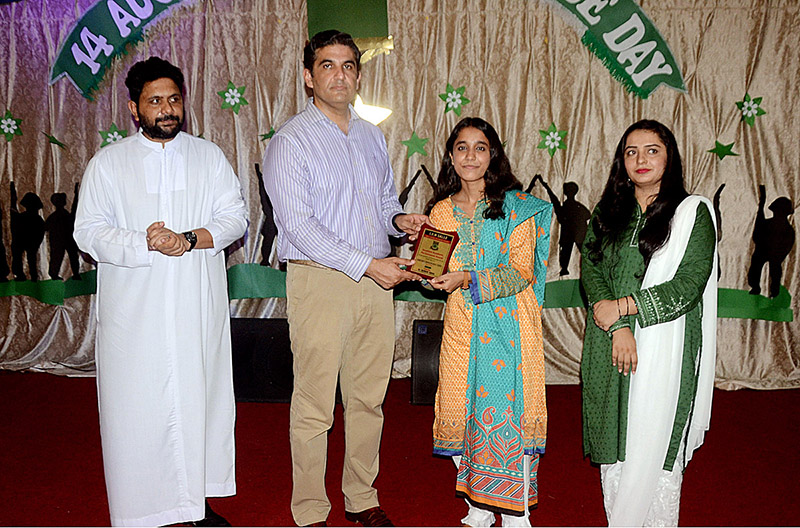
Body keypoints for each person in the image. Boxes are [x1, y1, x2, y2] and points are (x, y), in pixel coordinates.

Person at [262, 30, 427, 527]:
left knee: (369, 397)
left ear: (358, 74)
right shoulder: (290, 140)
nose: (340, 75)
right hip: (321, 280)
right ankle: (311, 510)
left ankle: (362, 497)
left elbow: (382, 204)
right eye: (327, 65)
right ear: (309, 77)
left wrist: (400, 223)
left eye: (349, 66)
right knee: (315, 402)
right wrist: (367, 263)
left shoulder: (372, 135)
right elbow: (298, 226)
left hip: (377, 282)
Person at [73, 57, 248, 527]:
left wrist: (189, 239)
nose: (167, 109)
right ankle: (143, 511)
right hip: (136, 314)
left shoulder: (207, 156)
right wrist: (144, 243)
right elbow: (87, 231)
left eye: (174, 99)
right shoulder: (109, 163)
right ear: (133, 108)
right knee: (138, 409)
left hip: (195, 306)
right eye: (155, 101)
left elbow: (235, 217)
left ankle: (193, 506)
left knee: (198, 401)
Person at [580, 120, 718, 526]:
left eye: (652, 150)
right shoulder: (607, 212)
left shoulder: (692, 213)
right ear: (621, 161)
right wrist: (618, 325)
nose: (641, 159)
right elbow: (592, 267)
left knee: (653, 443)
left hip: (663, 347)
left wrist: (625, 308)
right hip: (608, 340)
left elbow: (688, 286)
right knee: (613, 439)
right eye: (631, 152)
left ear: (669, 156)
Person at [426, 117, 553, 527]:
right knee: (462, 408)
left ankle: (516, 511)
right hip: (463, 326)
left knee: (508, 409)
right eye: (462, 147)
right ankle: (479, 505)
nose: (470, 156)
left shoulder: (516, 207)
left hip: (510, 327)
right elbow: (433, 271)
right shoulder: (441, 212)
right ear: (450, 156)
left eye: (480, 147)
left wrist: (468, 278)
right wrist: (425, 270)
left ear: (493, 155)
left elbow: (521, 271)